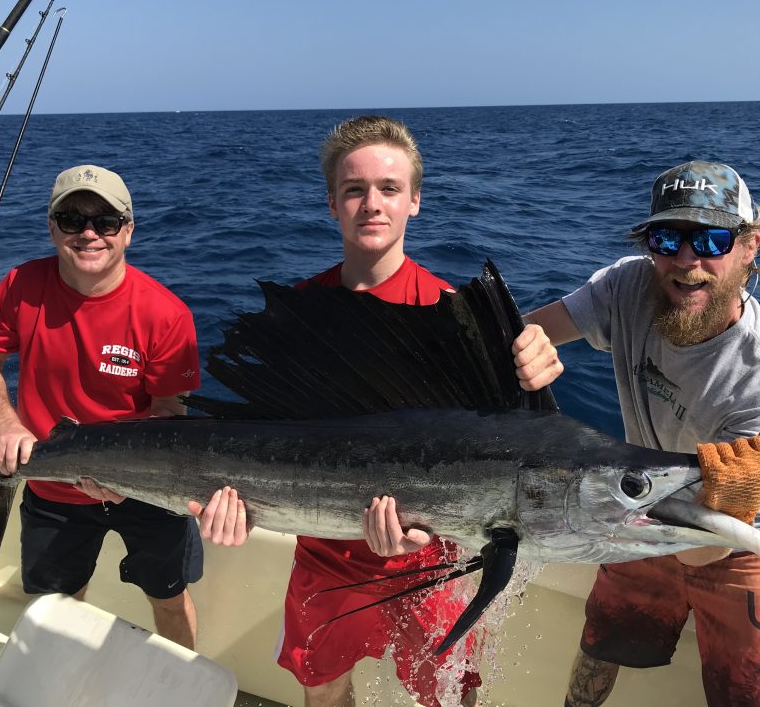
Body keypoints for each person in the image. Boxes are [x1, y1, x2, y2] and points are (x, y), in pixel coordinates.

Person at [188, 115, 563, 707]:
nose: (372, 204)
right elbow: (255, 436)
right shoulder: (303, 314)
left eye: (389, 189)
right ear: (332, 204)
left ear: (414, 201)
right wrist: (236, 509)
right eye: (354, 190)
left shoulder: (456, 318)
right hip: (325, 557)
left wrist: (534, 360)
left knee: (447, 698)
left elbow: (523, 446)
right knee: (325, 693)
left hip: (437, 561)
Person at [522, 161, 760, 707]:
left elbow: (702, 550)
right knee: (600, 647)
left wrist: (726, 509)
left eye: (711, 239)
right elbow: (532, 330)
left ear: (749, 247)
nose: (685, 261)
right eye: (666, 238)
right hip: (640, 506)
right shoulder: (628, 285)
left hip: (743, 536)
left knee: (752, 697)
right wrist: (528, 347)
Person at [0, 164, 203, 649]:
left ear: (127, 232)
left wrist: (124, 477)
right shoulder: (21, 286)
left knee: (169, 597)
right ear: (53, 228)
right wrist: (6, 424)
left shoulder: (166, 313)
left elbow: (168, 415)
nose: (89, 233)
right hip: (54, 486)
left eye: (106, 222)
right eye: (72, 219)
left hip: (149, 493)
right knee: (59, 605)